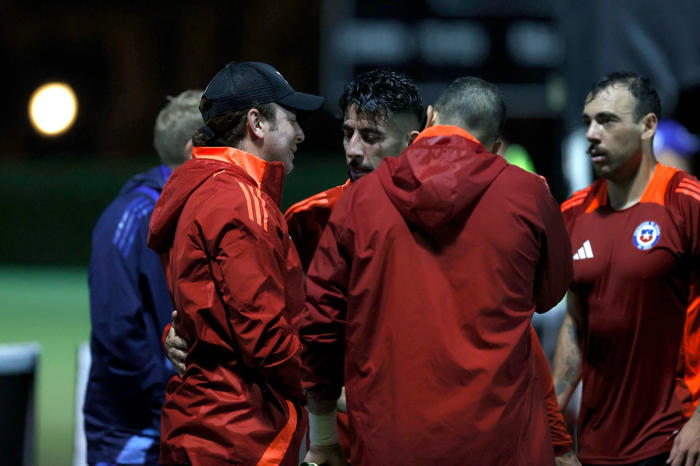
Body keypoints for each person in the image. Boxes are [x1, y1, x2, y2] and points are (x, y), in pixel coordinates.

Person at [166, 70, 577, 464]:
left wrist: (559, 440)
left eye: (371, 136)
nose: (353, 150)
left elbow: (514, 332)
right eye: (348, 134)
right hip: (348, 441)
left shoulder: (352, 211)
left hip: (377, 437)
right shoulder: (307, 220)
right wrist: (179, 331)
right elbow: (249, 309)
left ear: (417, 137)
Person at [300, 77, 573, 465]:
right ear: (495, 147)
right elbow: (549, 297)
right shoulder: (529, 194)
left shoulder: (359, 201)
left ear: (429, 119)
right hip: (500, 444)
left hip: (390, 445)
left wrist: (323, 438)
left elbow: (320, 328)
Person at [147, 61, 323, 465]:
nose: (299, 133)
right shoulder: (241, 203)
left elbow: (207, 307)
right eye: (291, 120)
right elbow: (266, 340)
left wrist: (176, 334)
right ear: (256, 123)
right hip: (239, 435)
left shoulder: (199, 188)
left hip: (201, 427)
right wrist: (331, 394)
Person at [552, 72, 700, 466]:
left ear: (647, 126)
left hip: (674, 441)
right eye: (587, 122)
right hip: (597, 446)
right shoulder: (572, 214)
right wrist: (549, 418)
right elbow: (576, 323)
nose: (591, 134)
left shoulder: (687, 203)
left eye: (607, 120)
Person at [83, 89, 203, 465]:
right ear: (192, 149)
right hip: (134, 436)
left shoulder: (194, 214)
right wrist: (167, 402)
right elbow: (117, 332)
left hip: (173, 424)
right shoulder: (130, 217)